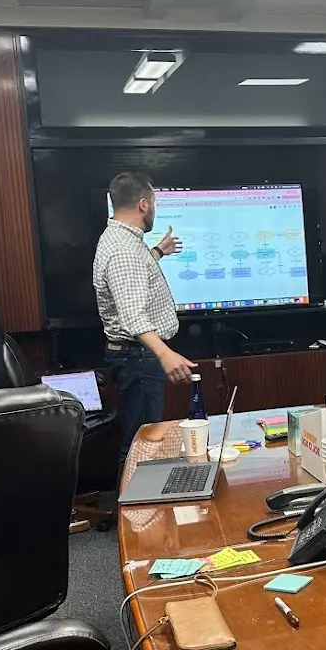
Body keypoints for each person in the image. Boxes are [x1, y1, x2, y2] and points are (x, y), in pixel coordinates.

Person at [93, 171, 195, 462]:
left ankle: (137, 504)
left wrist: (158, 252)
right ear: (143, 205)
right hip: (138, 357)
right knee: (143, 443)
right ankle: (133, 507)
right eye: (154, 202)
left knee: (143, 437)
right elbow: (132, 316)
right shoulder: (124, 251)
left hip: (135, 356)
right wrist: (165, 354)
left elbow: (133, 277)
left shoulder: (120, 238)